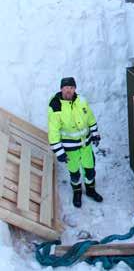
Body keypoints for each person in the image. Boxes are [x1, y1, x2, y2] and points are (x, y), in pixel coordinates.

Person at [48, 77, 103, 208]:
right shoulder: (55, 106)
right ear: (61, 89)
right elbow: (53, 131)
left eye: (71, 88)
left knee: (90, 169)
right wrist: (59, 151)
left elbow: (90, 117)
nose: (69, 91)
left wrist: (95, 133)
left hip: (85, 144)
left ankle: (90, 190)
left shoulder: (81, 101)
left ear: (75, 89)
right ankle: (77, 192)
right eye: (66, 88)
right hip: (70, 148)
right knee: (74, 172)